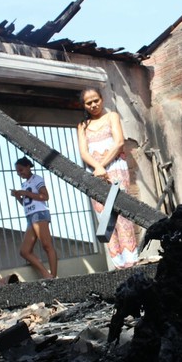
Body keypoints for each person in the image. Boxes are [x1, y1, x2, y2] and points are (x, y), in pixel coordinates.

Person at [77, 86, 139, 269]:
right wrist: (97, 168)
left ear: (102, 99)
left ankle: (131, 259)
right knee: (103, 215)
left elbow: (119, 142)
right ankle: (118, 263)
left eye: (96, 100)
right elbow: (83, 152)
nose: (94, 105)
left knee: (120, 212)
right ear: (84, 105)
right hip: (95, 173)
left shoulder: (112, 116)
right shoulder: (82, 126)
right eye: (89, 103)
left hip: (115, 168)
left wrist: (102, 165)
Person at [10, 157, 58, 278]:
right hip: (30, 216)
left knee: (47, 245)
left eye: (21, 170)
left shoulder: (37, 179)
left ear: (28, 167)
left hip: (39, 213)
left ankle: (53, 275)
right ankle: (47, 274)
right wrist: (18, 196)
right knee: (24, 251)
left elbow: (45, 196)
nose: (20, 173)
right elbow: (26, 203)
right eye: (18, 172)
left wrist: (25, 193)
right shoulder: (24, 184)